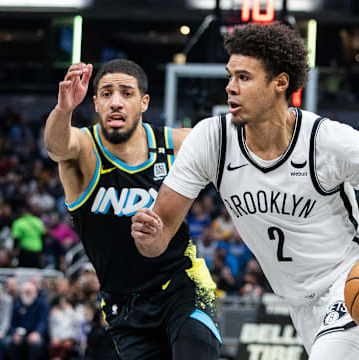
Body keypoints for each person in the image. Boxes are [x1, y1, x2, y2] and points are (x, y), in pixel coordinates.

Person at [131, 23, 359, 360]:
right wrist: (148, 238)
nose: (230, 88)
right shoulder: (211, 139)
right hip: (299, 305)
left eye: (244, 78)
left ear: (280, 82)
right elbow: (160, 230)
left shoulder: (328, 143)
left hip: (346, 284)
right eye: (229, 76)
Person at [44, 59, 221, 359]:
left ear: (144, 102)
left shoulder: (174, 144)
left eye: (126, 93)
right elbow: (57, 147)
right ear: (96, 102)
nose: (116, 102)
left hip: (182, 285)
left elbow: (232, 142)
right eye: (107, 93)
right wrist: (64, 110)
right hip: (124, 306)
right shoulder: (84, 150)